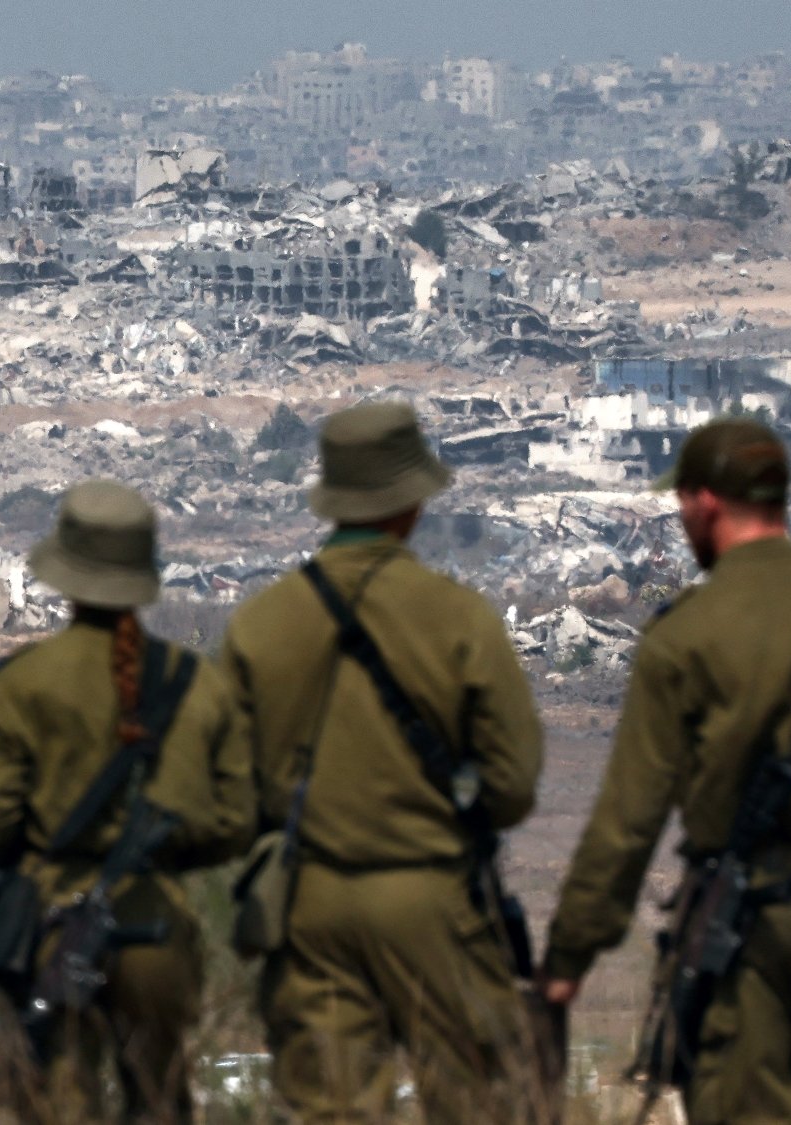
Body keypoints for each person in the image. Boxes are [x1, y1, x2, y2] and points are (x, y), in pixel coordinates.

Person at [540, 418, 791, 1125]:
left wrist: (567, 958)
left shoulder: (686, 632)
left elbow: (628, 821)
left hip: (744, 935)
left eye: (682, 501)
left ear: (706, 502)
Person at [221, 402, 544, 1124]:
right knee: (477, 1103)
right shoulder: (459, 617)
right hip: (434, 899)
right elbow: (515, 784)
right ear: (413, 502)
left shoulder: (260, 623)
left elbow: (229, 793)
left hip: (310, 907)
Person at [0, 479, 254, 1124]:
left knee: (61, 1103)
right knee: (160, 1102)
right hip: (158, 930)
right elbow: (234, 824)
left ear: (65, 574)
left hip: (53, 933)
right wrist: (164, 851)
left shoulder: (20, 684)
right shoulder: (198, 683)